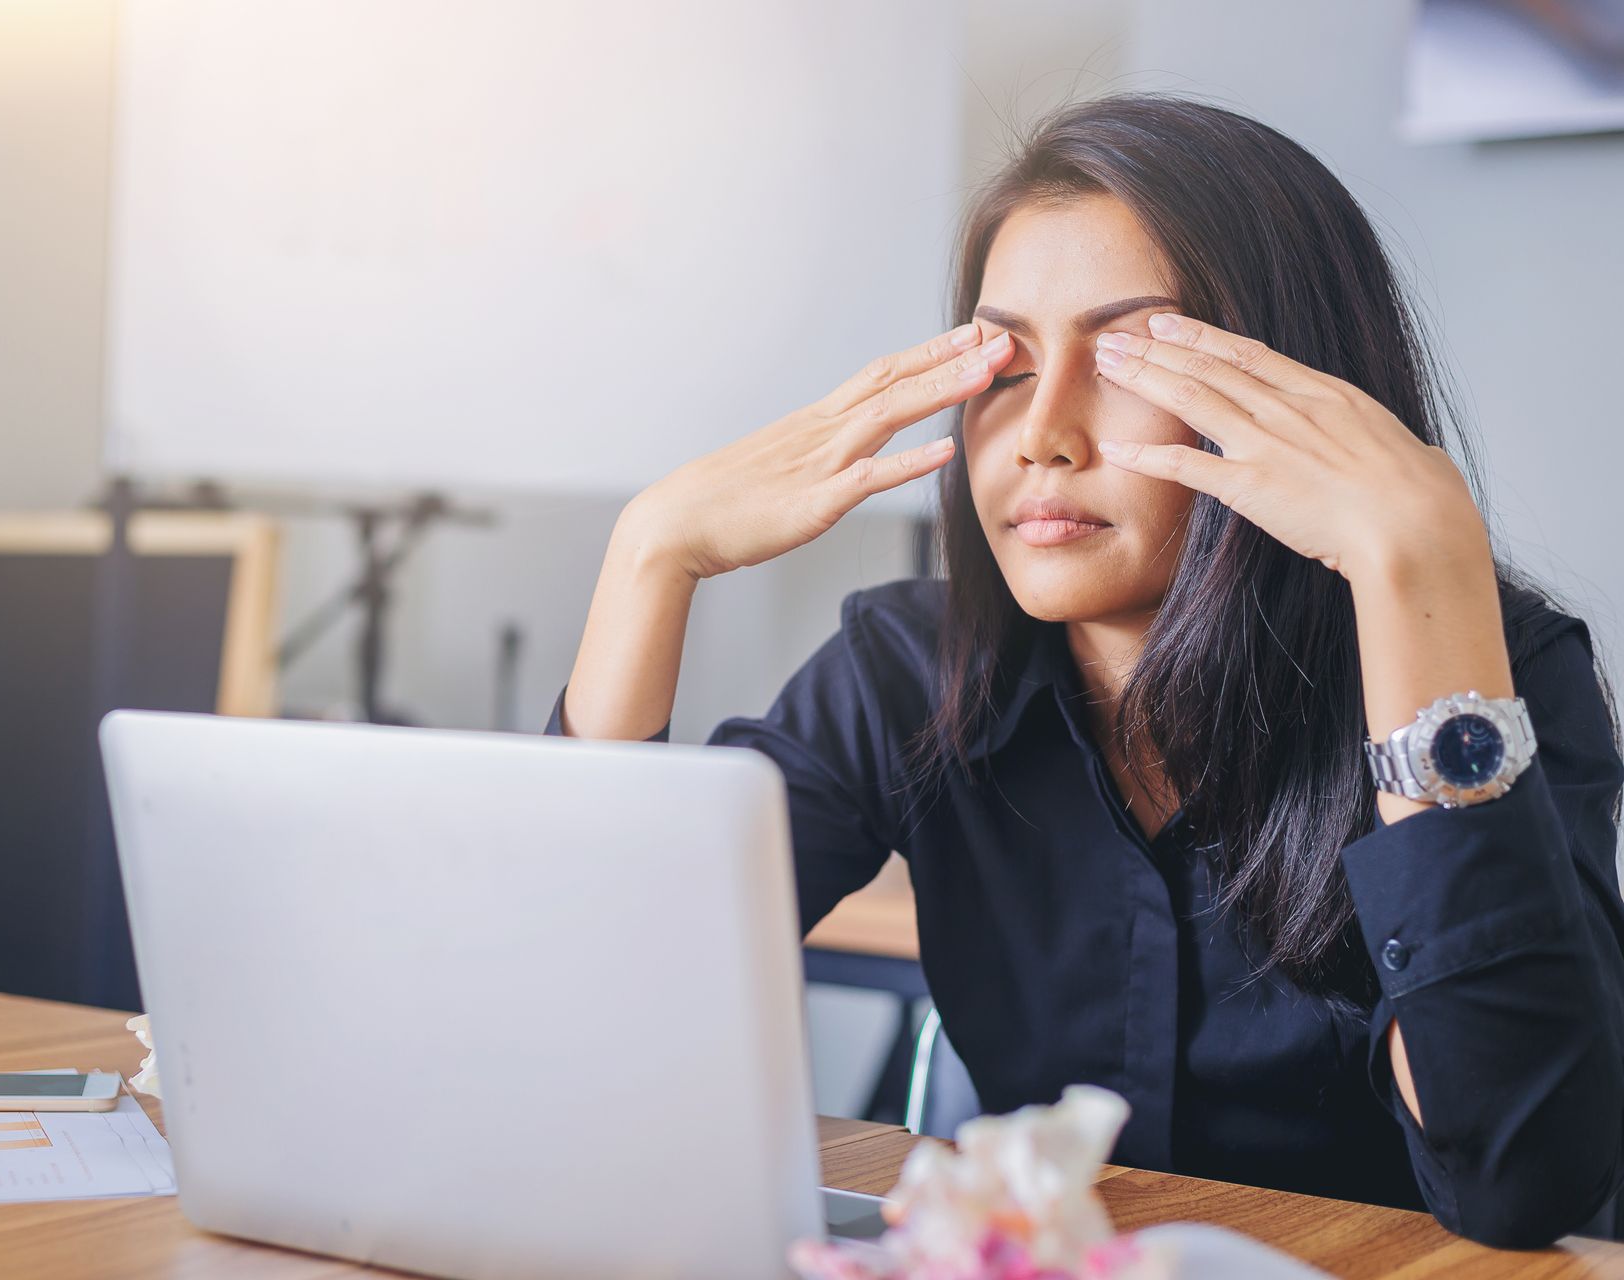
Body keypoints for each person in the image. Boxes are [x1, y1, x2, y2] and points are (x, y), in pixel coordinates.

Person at [543, 93, 1624, 1249]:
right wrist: (651, 555)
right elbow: (579, 1017)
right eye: (1002, 366)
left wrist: (1423, 573)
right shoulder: (906, 666)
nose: (1040, 432)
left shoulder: (1486, 668)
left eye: (1122, 357)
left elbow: (1523, 1176)